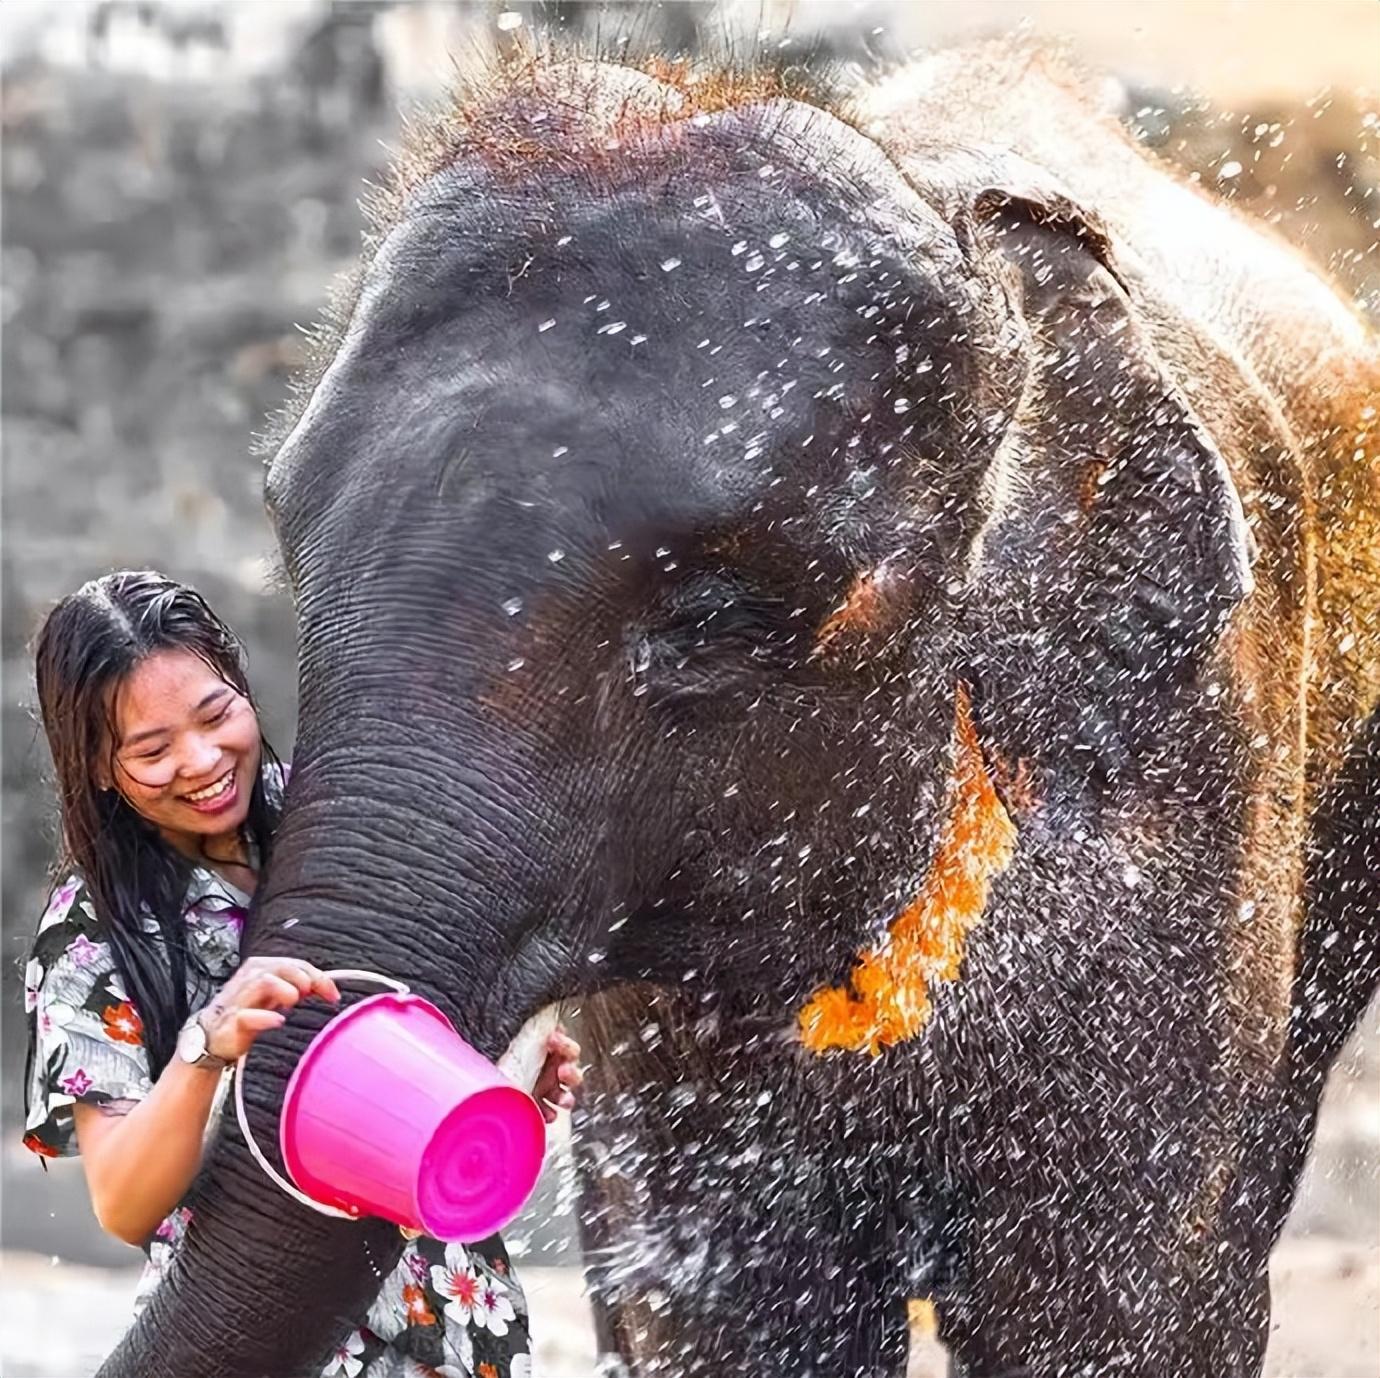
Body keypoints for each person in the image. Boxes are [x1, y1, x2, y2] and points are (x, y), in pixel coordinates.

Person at [22, 569, 582, 1378]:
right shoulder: (92, 934)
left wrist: (492, 1091)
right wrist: (205, 1052)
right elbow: (123, 1202)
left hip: (460, 1322)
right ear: (101, 767)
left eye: (217, 715)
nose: (204, 759)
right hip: (272, 1334)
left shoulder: (334, 826)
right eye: (152, 750)